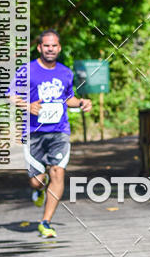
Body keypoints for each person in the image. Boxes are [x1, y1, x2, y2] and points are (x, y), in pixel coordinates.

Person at [10, 30, 92, 237]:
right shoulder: (27, 70)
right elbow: (11, 95)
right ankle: (39, 189)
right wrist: (27, 105)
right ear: (39, 47)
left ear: (59, 48)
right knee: (36, 180)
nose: (50, 49)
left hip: (59, 131)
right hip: (33, 132)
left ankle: (45, 222)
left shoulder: (66, 72)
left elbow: (68, 98)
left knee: (57, 172)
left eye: (54, 45)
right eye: (46, 45)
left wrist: (81, 102)